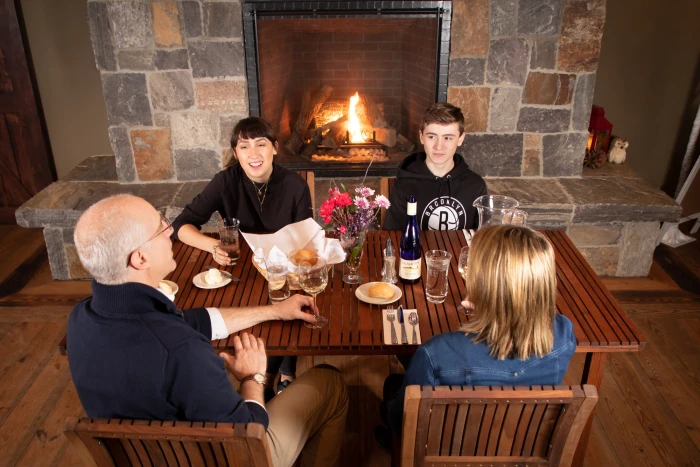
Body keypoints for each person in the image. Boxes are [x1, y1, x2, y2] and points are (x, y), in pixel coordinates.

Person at [68, 194, 348, 467]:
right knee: (330, 382)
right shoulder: (181, 350)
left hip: (144, 456)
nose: (169, 232)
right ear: (140, 259)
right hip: (233, 456)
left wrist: (274, 310)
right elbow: (249, 432)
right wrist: (252, 378)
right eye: (160, 227)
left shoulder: (81, 318)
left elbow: (190, 320)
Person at [376, 225, 576, 442]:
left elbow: (401, 422)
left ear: (488, 286)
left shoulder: (436, 353)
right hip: (520, 445)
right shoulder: (564, 333)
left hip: (447, 449)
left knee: (392, 389)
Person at [173, 117, 313, 400]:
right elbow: (181, 226)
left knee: (290, 300)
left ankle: (284, 367)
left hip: (284, 267)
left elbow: (305, 241)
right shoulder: (224, 182)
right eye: (244, 146)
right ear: (235, 153)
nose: (253, 154)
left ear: (275, 148)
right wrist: (212, 246)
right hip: (242, 270)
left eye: (261, 144)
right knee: (252, 313)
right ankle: (267, 370)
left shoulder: (295, 186)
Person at [384, 103, 487, 231]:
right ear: (421, 137)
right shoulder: (404, 185)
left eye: (448, 138)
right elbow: (392, 238)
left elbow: (483, 240)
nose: (439, 146)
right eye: (432, 137)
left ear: (460, 138)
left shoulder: (475, 185)